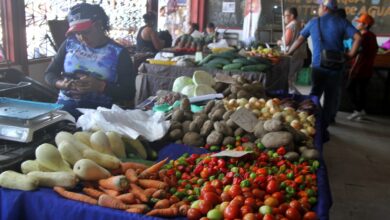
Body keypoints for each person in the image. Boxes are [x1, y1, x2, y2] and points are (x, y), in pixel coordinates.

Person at [287, 0, 362, 142]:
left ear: (324, 8)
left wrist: (289, 53)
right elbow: (358, 37)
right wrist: (351, 54)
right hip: (337, 67)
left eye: (320, 6)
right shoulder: (342, 22)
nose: (319, 9)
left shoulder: (314, 22)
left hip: (318, 66)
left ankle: (312, 124)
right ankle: (324, 127)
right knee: (331, 99)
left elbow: (299, 40)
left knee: (314, 95)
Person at [44, 3, 135, 119]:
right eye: (77, 33)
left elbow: (129, 92)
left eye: (86, 32)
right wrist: (61, 84)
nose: (82, 38)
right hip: (65, 111)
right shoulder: (69, 44)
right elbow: (49, 74)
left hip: (99, 115)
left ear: (98, 25)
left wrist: (100, 86)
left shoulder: (118, 52)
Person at [347, 13, 378, 121]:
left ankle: (357, 110)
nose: (357, 23)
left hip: (359, 68)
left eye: (360, 22)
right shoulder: (372, 36)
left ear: (365, 24)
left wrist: (352, 68)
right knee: (362, 90)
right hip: (368, 69)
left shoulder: (362, 37)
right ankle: (361, 110)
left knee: (350, 88)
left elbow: (357, 54)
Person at [277, 7, 306, 94]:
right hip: (300, 56)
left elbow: (286, 42)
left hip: (293, 56)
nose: (284, 18)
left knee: (288, 80)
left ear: (292, 16)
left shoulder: (291, 26)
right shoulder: (299, 24)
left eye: (286, 16)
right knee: (291, 79)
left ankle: (295, 97)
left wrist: (279, 42)